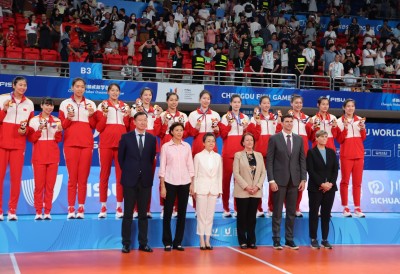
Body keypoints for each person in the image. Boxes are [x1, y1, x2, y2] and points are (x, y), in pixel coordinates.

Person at [267, 114, 307, 250]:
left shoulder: (299, 139)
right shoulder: (274, 138)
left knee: (291, 212)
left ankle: (289, 239)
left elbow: (302, 160)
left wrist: (303, 178)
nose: (289, 124)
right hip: (278, 181)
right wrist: (271, 180)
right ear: (282, 123)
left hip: (295, 181)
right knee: (277, 212)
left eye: (291, 122)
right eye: (287, 122)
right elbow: (270, 161)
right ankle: (276, 239)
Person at [59, 78, 97, 219]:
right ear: (72, 88)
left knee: (83, 178)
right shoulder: (65, 104)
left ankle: (81, 207)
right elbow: (63, 125)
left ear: (85, 89)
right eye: (77, 86)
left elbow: (93, 125)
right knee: (72, 178)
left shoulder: (91, 104)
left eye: (82, 87)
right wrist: (69, 118)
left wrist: (92, 115)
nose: (80, 89)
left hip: (86, 144)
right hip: (70, 144)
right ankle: (70, 208)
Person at [119, 112, 157, 253]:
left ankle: (143, 243)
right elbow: (121, 159)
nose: (142, 122)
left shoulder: (152, 139)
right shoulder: (126, 138)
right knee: (128, 213)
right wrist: (131, 171)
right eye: (139, 120)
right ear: (134, 122)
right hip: (129, 180)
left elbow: (151, 158)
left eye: (144, 120)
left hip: (145, 180)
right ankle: (126, 244)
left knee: (143, 214)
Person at [0, 76, 34, 221]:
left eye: (24, 85)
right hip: (2, 144)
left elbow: (30, 127)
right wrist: (4, 110)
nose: (22, 87)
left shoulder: (30, 103)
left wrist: (24, 131)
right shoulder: (2, 99)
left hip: (18, 146)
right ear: (13, 85)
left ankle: (12, 210)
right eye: (20, 84)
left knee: (16, 179)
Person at [96, 84, 130, 219]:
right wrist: (104, 115)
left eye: (117, 91)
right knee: (104, 175)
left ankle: (119, 206)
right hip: (105, 144)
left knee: (121, 177)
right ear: (108, 92)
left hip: (121, 145)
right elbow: (99, 127)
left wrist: (127, 116)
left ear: (119, 93)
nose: (115, 93)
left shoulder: (125, 106)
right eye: (112, 90)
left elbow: (127, 126)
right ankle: (103, 206)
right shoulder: (102, 105)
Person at [159, 122, 194, 251]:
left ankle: (178, 242)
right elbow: (162, 167)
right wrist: (162, 185)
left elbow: (190, 166)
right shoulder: (166, 147)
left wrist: (192, 183)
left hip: (185, 182)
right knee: (167, 212)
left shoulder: (187, 146)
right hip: (169, 182)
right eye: (177, 130)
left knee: (182, 213)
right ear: (172, 131)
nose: (179, 132)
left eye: (181, 130)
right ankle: (167, 242)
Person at [27, 97, 62, 220]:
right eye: (46, 105)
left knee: (50, 186)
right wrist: (39, 130)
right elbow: (31, 139)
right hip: (39, 157)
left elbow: (58, 140)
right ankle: (38, 211)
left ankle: (47, 211)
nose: (49, 107)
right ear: (41, 106)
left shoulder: (57, 120)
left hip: (53, 157)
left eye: (51, 105)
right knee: (39, 186)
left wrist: (58, 131)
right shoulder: (34, 120)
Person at [154, 92, 188, 218]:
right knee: (165, 176)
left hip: (180, 146)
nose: (173, 102)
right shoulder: (162, 115)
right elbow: (158, 133)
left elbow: (188, 132)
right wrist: (164, 123)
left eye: (175, 100)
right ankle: (165, 206)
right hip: (167, 146)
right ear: (167, 101)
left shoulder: (183, 116)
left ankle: (177, 207)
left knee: (179, 177)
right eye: (171, 100)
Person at [246, 96, 280, 217]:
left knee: (273, 182)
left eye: (268, 103)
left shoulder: (274, 118)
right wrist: (258, 124)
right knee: (257, 182)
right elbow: (252, 136)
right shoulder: (254, 119)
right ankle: (258, 208)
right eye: (264, 103)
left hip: (272, 154)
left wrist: (279, 122)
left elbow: (278, 134)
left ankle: (271, 208)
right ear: (260, 105)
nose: (266, 105)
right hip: (258, 154)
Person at [130, 87, 161, 218]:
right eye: (145, 95)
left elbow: (158, 131)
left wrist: (158, 117)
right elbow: (131, 128)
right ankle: (135, 209)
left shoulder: (156, 111)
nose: (147, 97)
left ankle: (146, 209)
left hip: (151, 146)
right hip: (137, 146)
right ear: (141, 96)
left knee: (148, 180)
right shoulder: (134, 109)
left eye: (149, 95)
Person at [233, 133, 266, 249]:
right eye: (247, 140)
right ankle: (242, 240)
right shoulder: (238, 155)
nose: (249, 142)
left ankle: (251, 240)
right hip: (243, 191)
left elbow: (263, 172)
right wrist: (246, 187)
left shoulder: (259, 155)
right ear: (243, 142)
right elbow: (236, 173)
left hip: (256, 191)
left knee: (252, 217)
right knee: (242, 217)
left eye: (251, 140)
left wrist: (257, 186)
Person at [307, 130, 338, 250]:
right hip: (315, 188)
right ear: (317, 138)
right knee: (314, 213)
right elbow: (311, 170)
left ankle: (325, 239)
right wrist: (321, 183)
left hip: (330, 189)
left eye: (326, 137)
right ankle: (314, 238)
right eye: (322, 137)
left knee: (326, 214)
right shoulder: (311, 152)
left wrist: (330, 184)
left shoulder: (331, 152)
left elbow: (335, 170)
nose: (325, 139)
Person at [219, 95, 249, 217]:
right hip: (228, 153)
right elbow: (223, 135)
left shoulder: (245, 117)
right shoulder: (225, 117)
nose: (236, 104)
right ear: (231, 103)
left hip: (241, 154)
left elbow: (247, 137)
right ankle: (226, 208)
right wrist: (229, 125)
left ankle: (237, 208)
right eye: (234, 102)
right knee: (225, 182)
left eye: (238, 102)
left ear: (241, 104)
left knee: (240, 182)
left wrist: (246, 129)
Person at [336, 99, 366, 218]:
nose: (350, 108)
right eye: (348, 106)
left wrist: (363, 128)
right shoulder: (339, 121)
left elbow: (363, 138)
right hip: (346, 156)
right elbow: (340, 140)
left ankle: (357, 208)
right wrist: (345, 128)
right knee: (345, 182)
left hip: (359, 155)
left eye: (352, 106)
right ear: (344, 108)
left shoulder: (360, 120)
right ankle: (345, 207)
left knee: (357, 183)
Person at [193, 133, 222, 250]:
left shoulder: (218, 157)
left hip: (213, 189)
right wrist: (194, 189)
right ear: (203, 143)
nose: (211, 143)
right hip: (201, 188)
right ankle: (201, 240)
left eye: (213, 141)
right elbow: (195, 174)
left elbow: (219, 175)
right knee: (201, 215)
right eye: (208, 141)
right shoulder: (198, 156)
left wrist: (219, 189)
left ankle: (208, 240)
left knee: (210, 216)